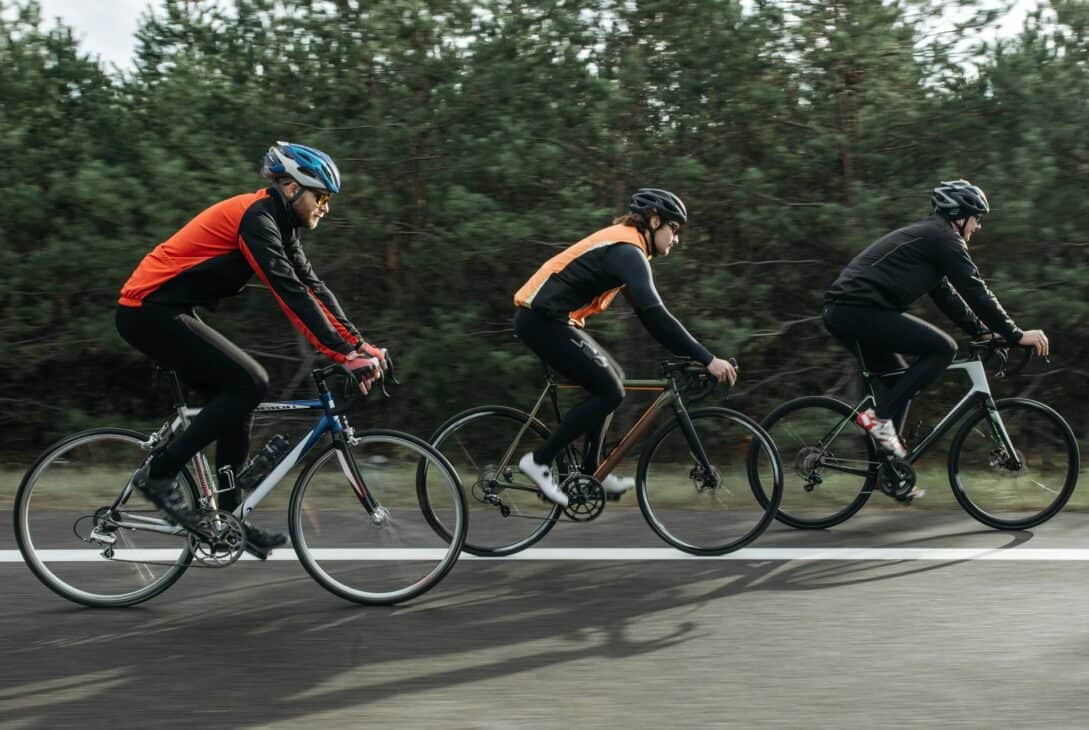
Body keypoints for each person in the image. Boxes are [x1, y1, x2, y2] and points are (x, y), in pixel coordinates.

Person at [116, 141, 387, 557]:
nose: (326, 208)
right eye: (322, 197)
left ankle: (229, 522)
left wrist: (358, 343)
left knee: (236, 401)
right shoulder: (255, 220)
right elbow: (289, 293)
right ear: (292, 187)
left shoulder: (278, 223)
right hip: (146, 310)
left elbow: (314, 288)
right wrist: (341, 354)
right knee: (249, 383)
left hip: (167, 310)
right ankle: (160, 474)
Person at [512, 188, 737, 506]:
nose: (676, 239)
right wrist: (707, 358)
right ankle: (539, 460)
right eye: (673, 228)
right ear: (655, 220)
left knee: (612, 379)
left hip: (551, 321)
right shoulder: (627, 250)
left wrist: (695, 354)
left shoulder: (629, 249)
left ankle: (592, 474)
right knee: (609, 390)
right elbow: (657, 315)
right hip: (542, 320)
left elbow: (650, 320)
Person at [823, 179, 1049, 459]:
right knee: (943, 348)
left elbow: (948, 297)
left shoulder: (932, 241)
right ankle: (879, 420)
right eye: (976, 218)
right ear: (959, 215)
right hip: (856, 311)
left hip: (850, 312)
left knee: (900, 383)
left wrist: (982, 332)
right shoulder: (943, 239)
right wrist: (1015, 334)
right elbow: (975, 289)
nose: (978, 226)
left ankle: (889, 469)